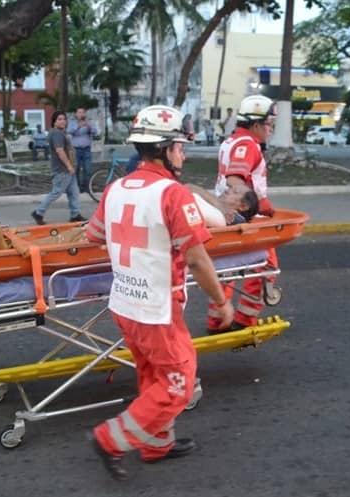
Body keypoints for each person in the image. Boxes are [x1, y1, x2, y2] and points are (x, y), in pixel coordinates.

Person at [86, 104, 234, 481]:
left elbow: (94, 235)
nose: (183, 153)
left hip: (125, 303)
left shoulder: (115, 188)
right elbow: (199, 261)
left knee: (153, 376)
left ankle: (157, 445)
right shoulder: (173, 194)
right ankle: (110, 440)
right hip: (156, 308)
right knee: (177, 384)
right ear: (165, 148)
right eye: (180, 147)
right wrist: (221, 301)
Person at [211, 94, 278, 332]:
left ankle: (217, 320)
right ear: (256, 124)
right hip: (246, 219)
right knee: (267, 267)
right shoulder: (247, 145)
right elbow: (235, 179)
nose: (271, 129)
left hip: (227, 216)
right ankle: (244, 320)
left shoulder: (230, 141)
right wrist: (259, 204)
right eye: (269, 124)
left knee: (227, 268)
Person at [31, 110, 86, 225]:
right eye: (59, 119)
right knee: (56, 192)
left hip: (68, 169)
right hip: (62, 170)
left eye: (64, 119)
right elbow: (59, 151)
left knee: (74, 192)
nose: (63, 121)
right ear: (54, 122)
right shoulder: (56, 133)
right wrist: (69, 166)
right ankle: (38, 212)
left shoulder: (60, 133)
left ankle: (75, 215)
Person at [186, 183, 258, 227]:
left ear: (243, 206)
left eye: (235, 192)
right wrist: (218, 204)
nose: (226, 190)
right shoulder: (217, 209)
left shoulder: (224, 218)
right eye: (230, 188)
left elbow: (187, 187)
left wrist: (218, 205)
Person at [67, 107, 99, 192]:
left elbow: (96, 132)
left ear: (85, 114)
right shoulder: (72, 122)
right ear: (76, 114)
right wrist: (78, 126)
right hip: (76, 150)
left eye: (82, 112)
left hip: (86, 149)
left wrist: (89, 126)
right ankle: (77, 187)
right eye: (79, 112)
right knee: (76, 169)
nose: (81, 114)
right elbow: (69, 131)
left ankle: (87, 188)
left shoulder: (90, 121)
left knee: (87, 169)